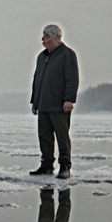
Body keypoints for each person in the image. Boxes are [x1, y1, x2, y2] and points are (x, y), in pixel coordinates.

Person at [29, 24, 79, 179]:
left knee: (62, 137)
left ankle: (65, 167)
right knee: (44, 137)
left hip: (59, 106)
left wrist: (69, 99)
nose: (43, 40)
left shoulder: (67, 54)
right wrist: (35, 101)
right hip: (43, 105)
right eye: (43, 37)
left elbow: (72, 79)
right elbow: (37, 79)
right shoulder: (41, 57)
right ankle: (46, 166)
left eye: (46, 37)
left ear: (56, 38)